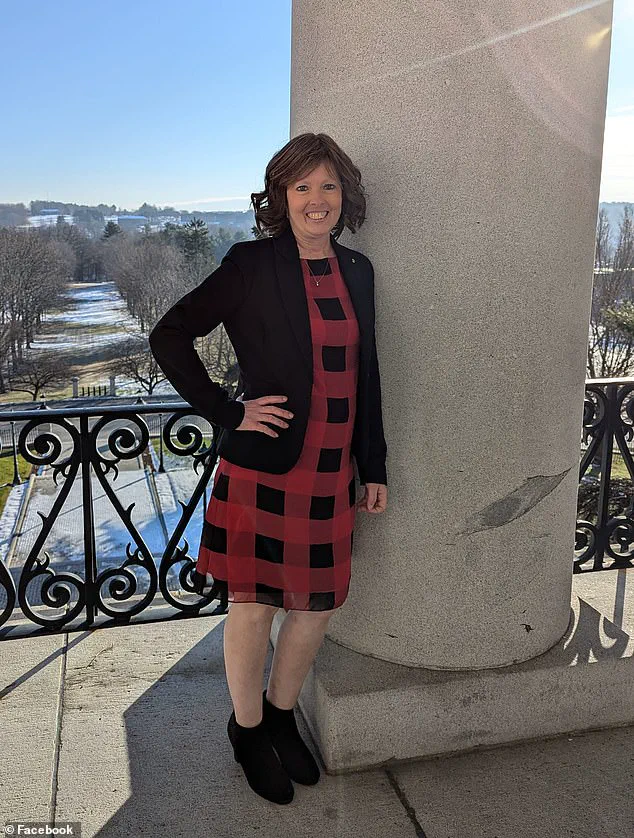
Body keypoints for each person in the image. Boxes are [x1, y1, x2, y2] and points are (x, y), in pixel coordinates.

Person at [148, 132, 388, 805]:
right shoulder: (251, 264)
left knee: (316, 606)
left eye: (329, 186)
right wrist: (227, 410)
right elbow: (169, 334)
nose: (317, 199)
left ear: (345, 195)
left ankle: (281, 717)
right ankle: (248, 728)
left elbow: (365, 373)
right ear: (281, 197)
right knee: (253, 607)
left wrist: (373, 465)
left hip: (330, 472)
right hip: (264, 469)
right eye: (302, 186)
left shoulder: (358, 270)